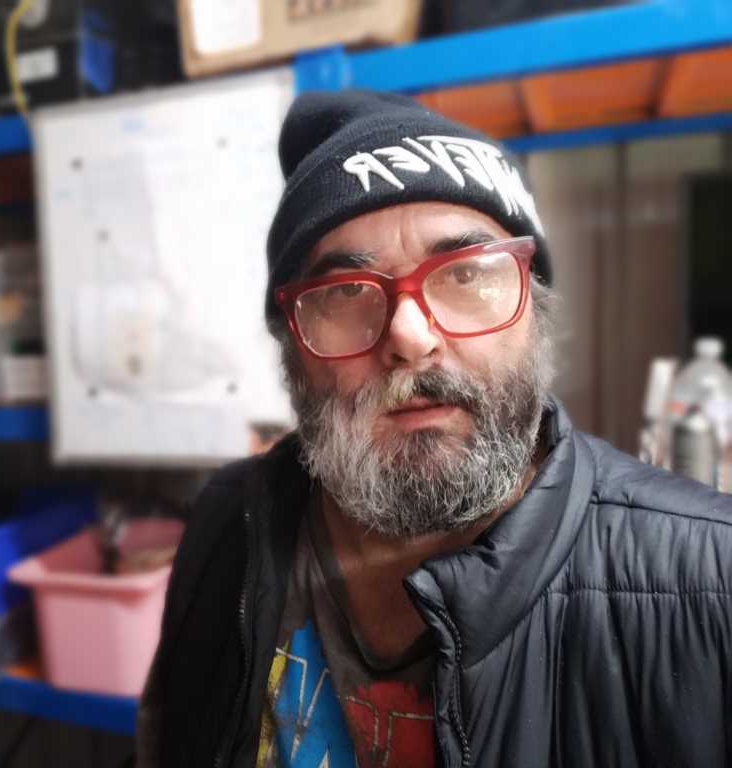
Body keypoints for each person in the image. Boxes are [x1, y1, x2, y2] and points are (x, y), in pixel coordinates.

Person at [135, 92, 732, 768]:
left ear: (534, 313)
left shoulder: (710, 584)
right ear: (291, 346)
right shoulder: (228, 522)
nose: (410, 336)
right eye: (344, 291)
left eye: (465, 275)